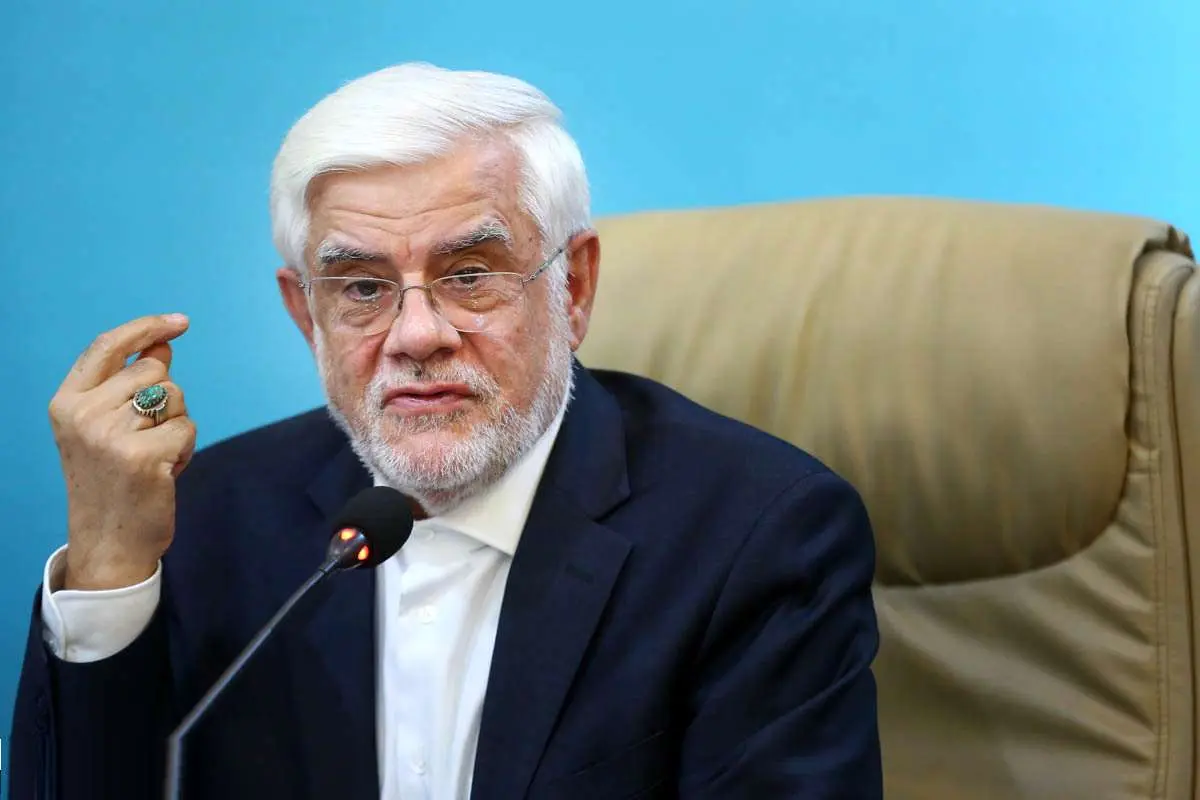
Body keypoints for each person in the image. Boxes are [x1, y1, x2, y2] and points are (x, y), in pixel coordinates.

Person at [8, 63, 882, 799]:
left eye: (469, 274)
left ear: (573, 288)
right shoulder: (207, 520)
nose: (417, 335)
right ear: (306, 317)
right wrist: (110, 568)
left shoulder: (757, 536)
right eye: (362, 288)